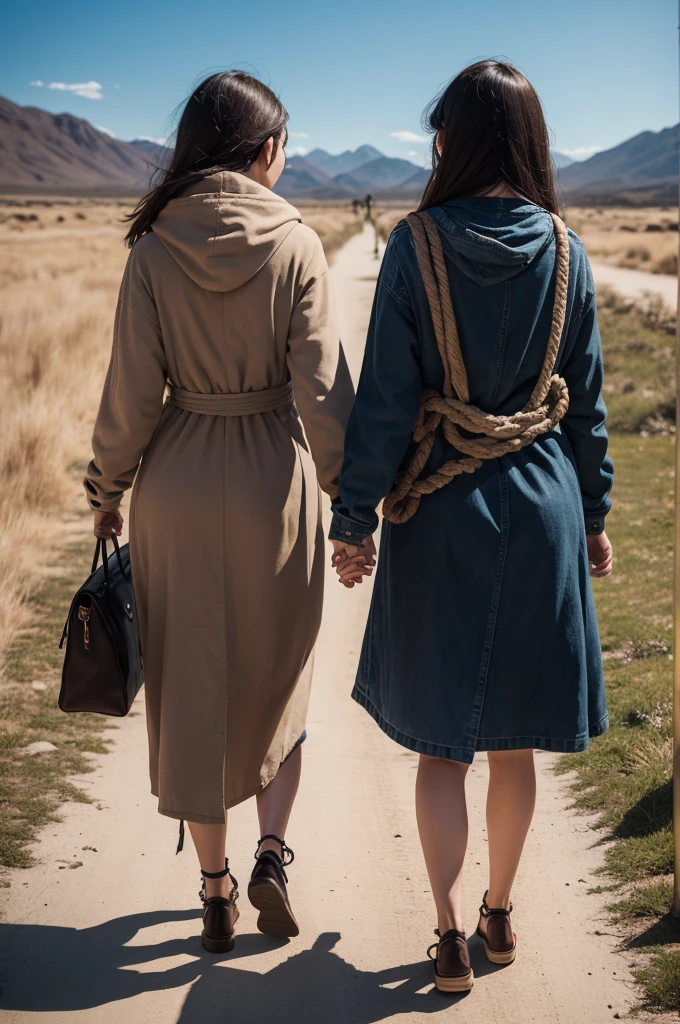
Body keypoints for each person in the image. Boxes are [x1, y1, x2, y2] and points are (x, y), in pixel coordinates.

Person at [330, 60, 613, 993]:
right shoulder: (569, 252)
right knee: (513, 742)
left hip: (446, 511)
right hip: (542, 509)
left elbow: (383, 404)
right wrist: (597, 516)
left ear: (451, 140)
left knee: (441, 746)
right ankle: (499, 916)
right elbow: (587, 413)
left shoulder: (417, 245)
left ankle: (447, 933)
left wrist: (355, 517)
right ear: (530, 144)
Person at [84, 71, 354, 953]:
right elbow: (323, 396)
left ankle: (214, 888)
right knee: (281, 678)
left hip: (177, 484)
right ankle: (275, 850)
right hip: (273, 481)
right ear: (264, 150)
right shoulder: (298, 244)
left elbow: (129, 394)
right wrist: (351, 502)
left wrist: (106, 492)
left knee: (190, 682)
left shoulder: (153, 247)